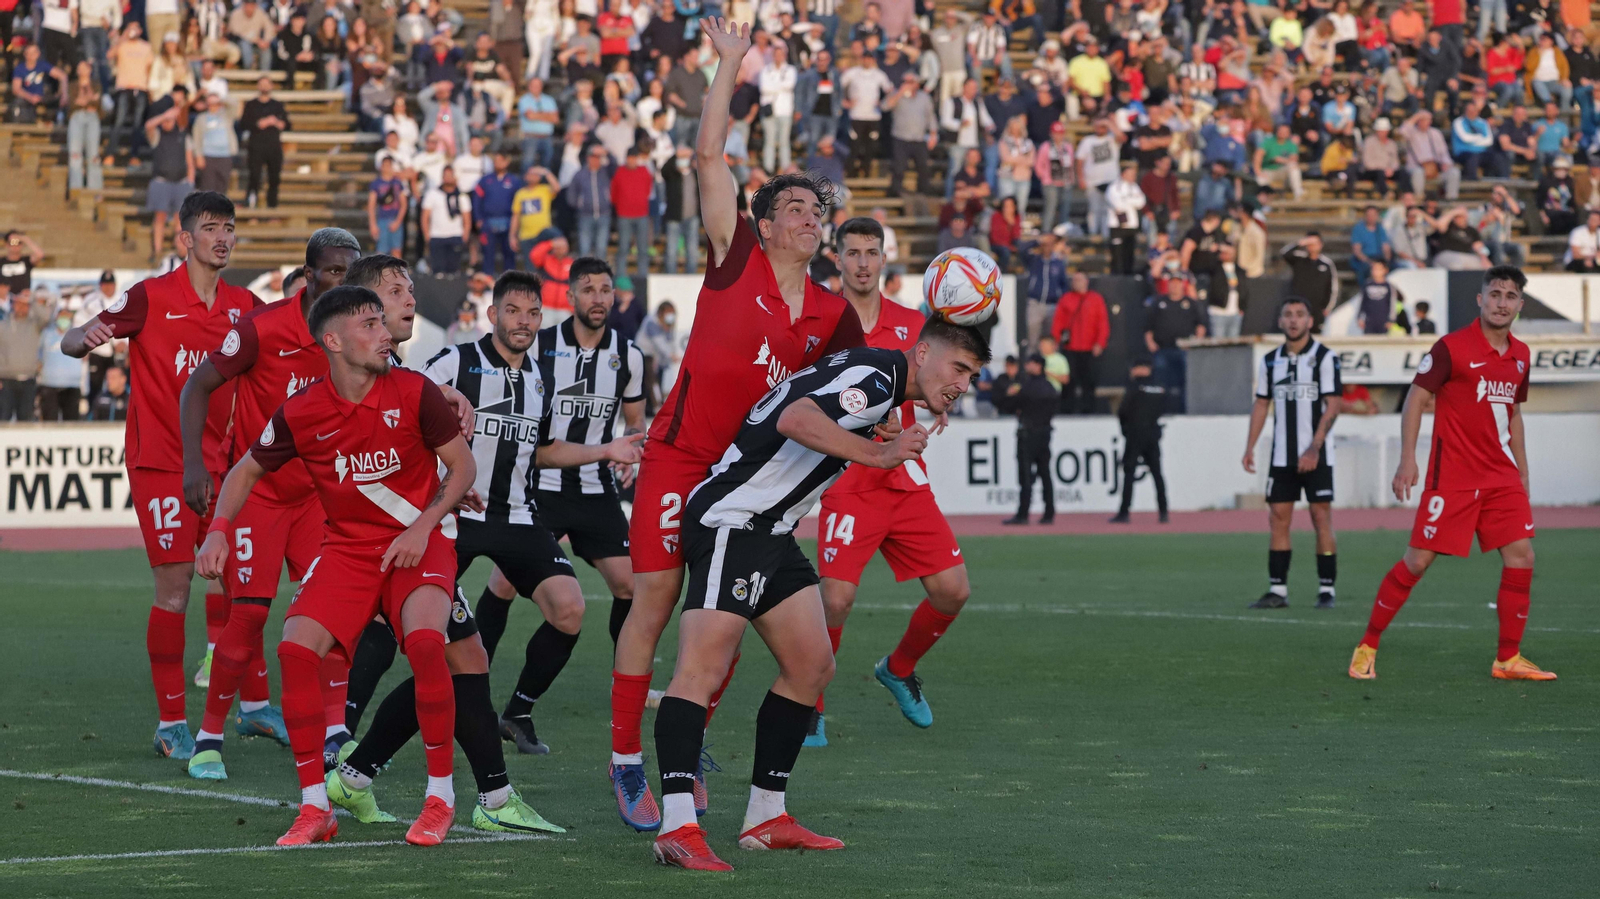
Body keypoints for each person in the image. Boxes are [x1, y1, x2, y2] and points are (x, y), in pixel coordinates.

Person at [610, 18, 866, 852]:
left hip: (751, 494)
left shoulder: (834, 315)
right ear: (764, 220)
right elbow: (708, 158)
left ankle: (756, 807)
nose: (807, 213)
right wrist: (727, 64)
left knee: (785, 651)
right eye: (792, 204)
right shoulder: (737, 258)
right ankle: (632, 767)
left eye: (815, 206)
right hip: (682, 461)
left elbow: (858, 399)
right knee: (655, 606)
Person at [653, 311, 982, 870]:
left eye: (972, 375)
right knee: (699, 672)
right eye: (959, 367)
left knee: (811, 666)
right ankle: (676, 825)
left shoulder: (877, 382)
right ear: (921, 353)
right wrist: (878, 452)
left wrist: (871, 432)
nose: (963, 384)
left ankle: (765, 817)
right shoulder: (878, 378)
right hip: (735, 518)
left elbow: (817, 403)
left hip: (771, 530)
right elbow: (796, 416)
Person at [194, 285, 474, 847]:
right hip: (347, 550)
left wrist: (423, 525)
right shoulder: (302, 411)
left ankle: (440, 797)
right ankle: (315, 808)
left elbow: (463, 470)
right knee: (295, 650)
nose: (385, 333)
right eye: (370, 325)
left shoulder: (415, 392)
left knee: (424, 642)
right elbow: (245, 470)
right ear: (334, 341)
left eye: (382, 322)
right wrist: (218, 532)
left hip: (419, 543)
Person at [60, 192, 262, 761]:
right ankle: (172, 721)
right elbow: (71, 338)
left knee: (246, 588)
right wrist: (86, 339)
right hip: (162, 466)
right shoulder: (149, 297)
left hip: (226, 467)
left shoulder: (246, 304)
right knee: (174, 591)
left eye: (229, 227)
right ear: (185, 239)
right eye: (210, 228)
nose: (222, 237)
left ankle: (253, 707)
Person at [419, 268, 642, 758]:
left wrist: (607, 451)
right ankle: (345, 725)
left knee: (570, 608)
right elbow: (406, 395)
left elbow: (544, 448)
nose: (523, 321)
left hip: (519, 514)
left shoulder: (540, 378)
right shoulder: (457, 362)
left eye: (532, 312)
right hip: (458, 513)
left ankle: (517, 712)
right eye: (513, 311)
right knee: (420, 623)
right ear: (492, 313)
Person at [176, 229, 363, 780]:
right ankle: (208, 737)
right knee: (251, 613)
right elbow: (197, 387)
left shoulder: (356, 334)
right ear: (309, 277)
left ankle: (336, 734)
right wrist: (195, 465)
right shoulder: (260, 329)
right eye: (332, 272)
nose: (342, 284)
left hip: (317, 499)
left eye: (351, 275)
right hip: (260, 493)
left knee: (334, 612)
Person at [812, 217, 973, 748]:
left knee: (953, 591)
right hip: (848, 478)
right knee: (834, 600)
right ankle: (808, 701)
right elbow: (806, 397)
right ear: (836, 259)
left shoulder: (915, 325)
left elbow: (941, 378)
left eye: (871, 252)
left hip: (903, 479)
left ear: (884, 260)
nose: (862, 262)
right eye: (852, 252)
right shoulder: (821, 323)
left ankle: (899, 669)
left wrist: (940, 399)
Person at [1349, 267, 1555, 682]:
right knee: (1418, 561)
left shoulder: (1522, 355)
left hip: (1501, 478)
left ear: (1520, 305)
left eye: (1510, 295)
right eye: (1494, 293)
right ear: (1479, 300)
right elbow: (1416, 399)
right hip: (1453, 478)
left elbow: (1513, 413)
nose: (1501, 302)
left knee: (1522, 556)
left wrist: (1523, 472)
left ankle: (1507, 659)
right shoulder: (1451, 347)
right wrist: (1408, 458)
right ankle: (1367, 645)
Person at [1242, 298, 1343, 610]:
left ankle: (1327, 590)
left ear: (1310, 321)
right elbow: (1262, 404)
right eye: (1288, 315)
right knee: (1278, 518)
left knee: (1319, 516)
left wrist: (1314, 446)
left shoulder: (1324, 358)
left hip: (1317, 454)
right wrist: (1249, 446)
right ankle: (1278, 591)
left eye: (1300, 314)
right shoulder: (1271, 361)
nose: (1294, 320)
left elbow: (1334, 404)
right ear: (1281, 321)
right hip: (1282, 457)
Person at [997, 353, 1058, 525]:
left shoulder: (1026, 387)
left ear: (1038, 365)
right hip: (1045, 433)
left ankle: (1023, 514)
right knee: (1045, 473)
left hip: (1027, 434)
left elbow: (1010, 405)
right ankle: (1049, 512)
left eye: (1030, 363)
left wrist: (1010, 397)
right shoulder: (1050, 388)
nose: (1027, 366)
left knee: (1025, 476)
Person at [1109, 357, 1168, 524]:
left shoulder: (1135, 387)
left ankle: (1124, 512)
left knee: (1129, 473)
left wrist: (1126, 430)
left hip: (1135, 434)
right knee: (1157, 474)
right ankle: (1163, 512)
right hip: (1153, 433)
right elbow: (1163, 408)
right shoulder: (1159, 387)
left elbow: (1123, 411)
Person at [1143, 274, 1206, 414]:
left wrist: (1195, 343)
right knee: (1160, 381)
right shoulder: (1159, 302)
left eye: (1178, 283)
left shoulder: (1190, 303)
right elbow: (1148, 326)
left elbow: (1201, 326)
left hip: (1185, 349)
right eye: (1172, 283)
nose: (1175, 286)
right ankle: (1159, 410)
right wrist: (1150, 343)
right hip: (1162, 349)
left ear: (1182, 285)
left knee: (1187, 381)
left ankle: (1186, 410)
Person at [144, 101, 196, 265]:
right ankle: (157, 251)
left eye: (170, 119)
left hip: (181, 183)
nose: (167, 122)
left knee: (179, 221)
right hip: (161, 181)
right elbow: (148, 126)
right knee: (159, 217)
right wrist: (163, 116)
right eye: (165, 120)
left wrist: (190, 182)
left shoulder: (183, 136)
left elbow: (190, 161)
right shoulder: (157, 135)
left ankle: (181, 250)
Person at [1051, 272, 1109, 415]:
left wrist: (1100, 343)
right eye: (1074, 280)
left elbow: (1102, 323)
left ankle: (1088, 411)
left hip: (1089, 348)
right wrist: (1057, 340)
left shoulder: (1096, 299)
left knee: (1088, 382)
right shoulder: (1066, 299)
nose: (1076, 282)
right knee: (1069, 382)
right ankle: (1067, 411)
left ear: (1086, 282)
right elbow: (1058, 322)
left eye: (1079, 280)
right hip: (1070, 347)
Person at [241, 77, 291, 208]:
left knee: (274, 178)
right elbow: (243, 123)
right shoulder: (251, 104)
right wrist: (259, 123)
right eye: (261, 84)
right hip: (256, 146)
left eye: (266, 84)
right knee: (254, 177)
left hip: (274, 146)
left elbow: (288, 124)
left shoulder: (277, 105)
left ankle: (272, 208)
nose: (264, 86)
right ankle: (251, 207)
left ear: (271, 86)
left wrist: (278, 123)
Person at [0, 290, 50, 421]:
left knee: (26, 419)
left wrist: (32, 300)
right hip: (6, 381)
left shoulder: (34, 325)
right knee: (3, 418)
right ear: (12, 305)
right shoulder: (3, 326)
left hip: (28, 381)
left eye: (24, 304)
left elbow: (46, 317)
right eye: (18, 304)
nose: (21, 307)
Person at [1280, 233, 1339, 330]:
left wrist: (1328, 307)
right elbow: (1284, 253)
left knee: (1315, 338)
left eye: (1315, 243)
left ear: (1321, 244)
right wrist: (1300, 243)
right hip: (1298, 308)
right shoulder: (1299, 259)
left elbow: (1332, 287)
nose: (1312, 246)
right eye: (1310, 243)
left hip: (1317, 310)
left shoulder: (1327, 264)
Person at [422, 165, 473, 275]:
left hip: (455, 235)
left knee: (453, 271)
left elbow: (467, 217)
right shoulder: (433, 194)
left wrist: (466, 234)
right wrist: (427, 234)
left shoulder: (462, 196)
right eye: (446, 175)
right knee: (438, 271)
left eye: (451, 175)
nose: (449, 178)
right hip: (437, 235)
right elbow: (425, 216)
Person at [1105, 165, 1146, 275]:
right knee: (1117, 252)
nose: (1133, 177)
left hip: (1131, 225)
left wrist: (1125, 199)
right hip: (1117, 225)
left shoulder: (1135, 187)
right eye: (1130, 174)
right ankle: (1117, 274)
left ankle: (1128, 274)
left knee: (1130, 251)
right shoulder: (1113, 187)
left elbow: (1141, 202)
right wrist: (1132, 201)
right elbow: (1117, 204)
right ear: (1123, 174)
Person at [367, 156, 410, 256]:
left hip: (395, 219)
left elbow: (403, 204)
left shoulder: (398, 183)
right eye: (384, 165)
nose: (387, 168)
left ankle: (397, 272)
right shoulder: (376, 184)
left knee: (396, 250)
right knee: (381, 251)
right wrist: (373, 224)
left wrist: (398, 221)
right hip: (382, 219)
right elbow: (371, 205)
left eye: (389, 165)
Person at [1357, 261, 1408, 334]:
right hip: (1369, 321)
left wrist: (1391, 320)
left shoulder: (1389, 286)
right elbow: (1363, 302)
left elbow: (1392, 303)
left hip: (1383, 321)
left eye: (1379, 269)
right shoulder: (1367, 285)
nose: (1376, 271)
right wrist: (1360, 318)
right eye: (1374, 269)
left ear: (1385, 270)